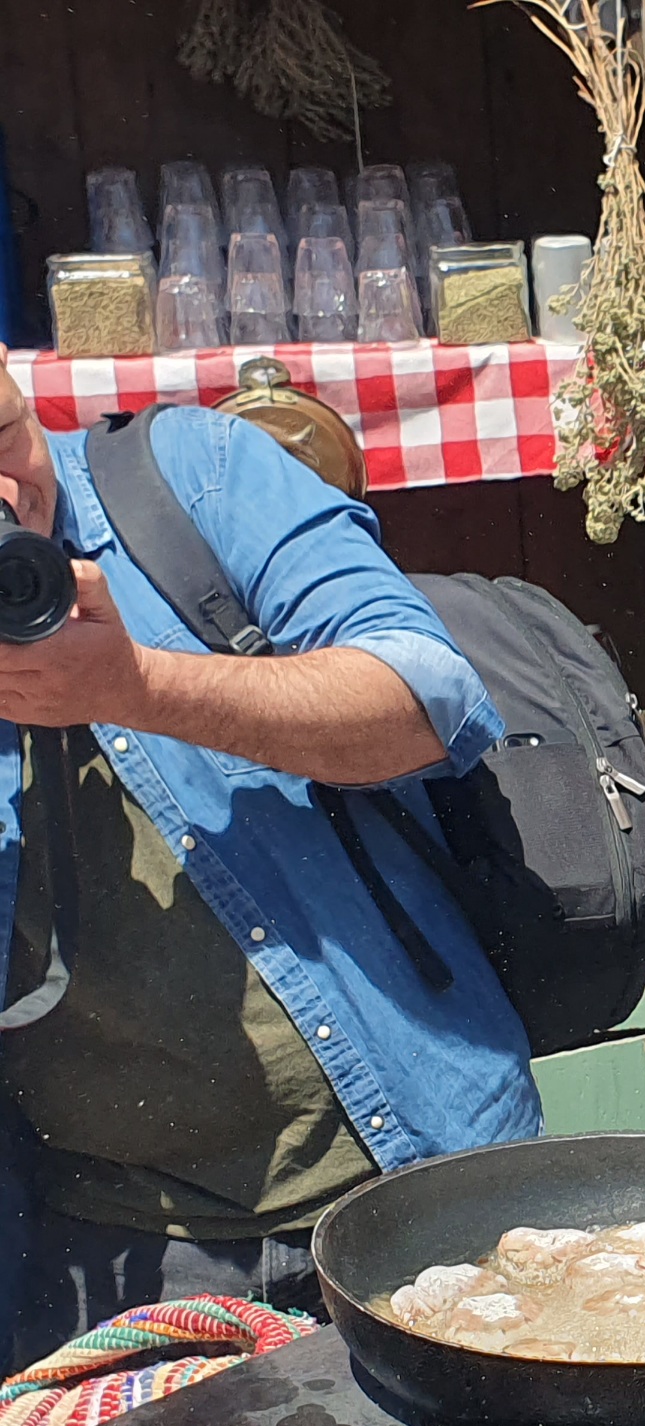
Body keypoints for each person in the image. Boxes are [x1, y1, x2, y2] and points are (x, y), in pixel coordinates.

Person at [0, 366, 541, 1358]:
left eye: (4, 436)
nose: (4, 495)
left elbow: (432, 699)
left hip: (410, 1171)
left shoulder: (190, 473)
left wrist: (136, 686)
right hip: (113, 1244)